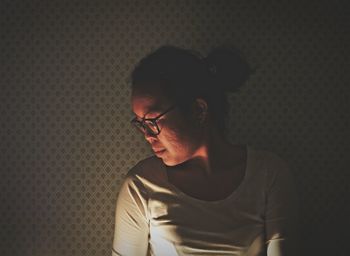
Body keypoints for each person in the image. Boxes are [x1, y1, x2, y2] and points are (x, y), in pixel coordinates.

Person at [111, 45, 299, 256]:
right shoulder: (141, 185)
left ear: (198, 110)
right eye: (140, 123)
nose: (147, 134)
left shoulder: (268, 174)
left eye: (152, 120)